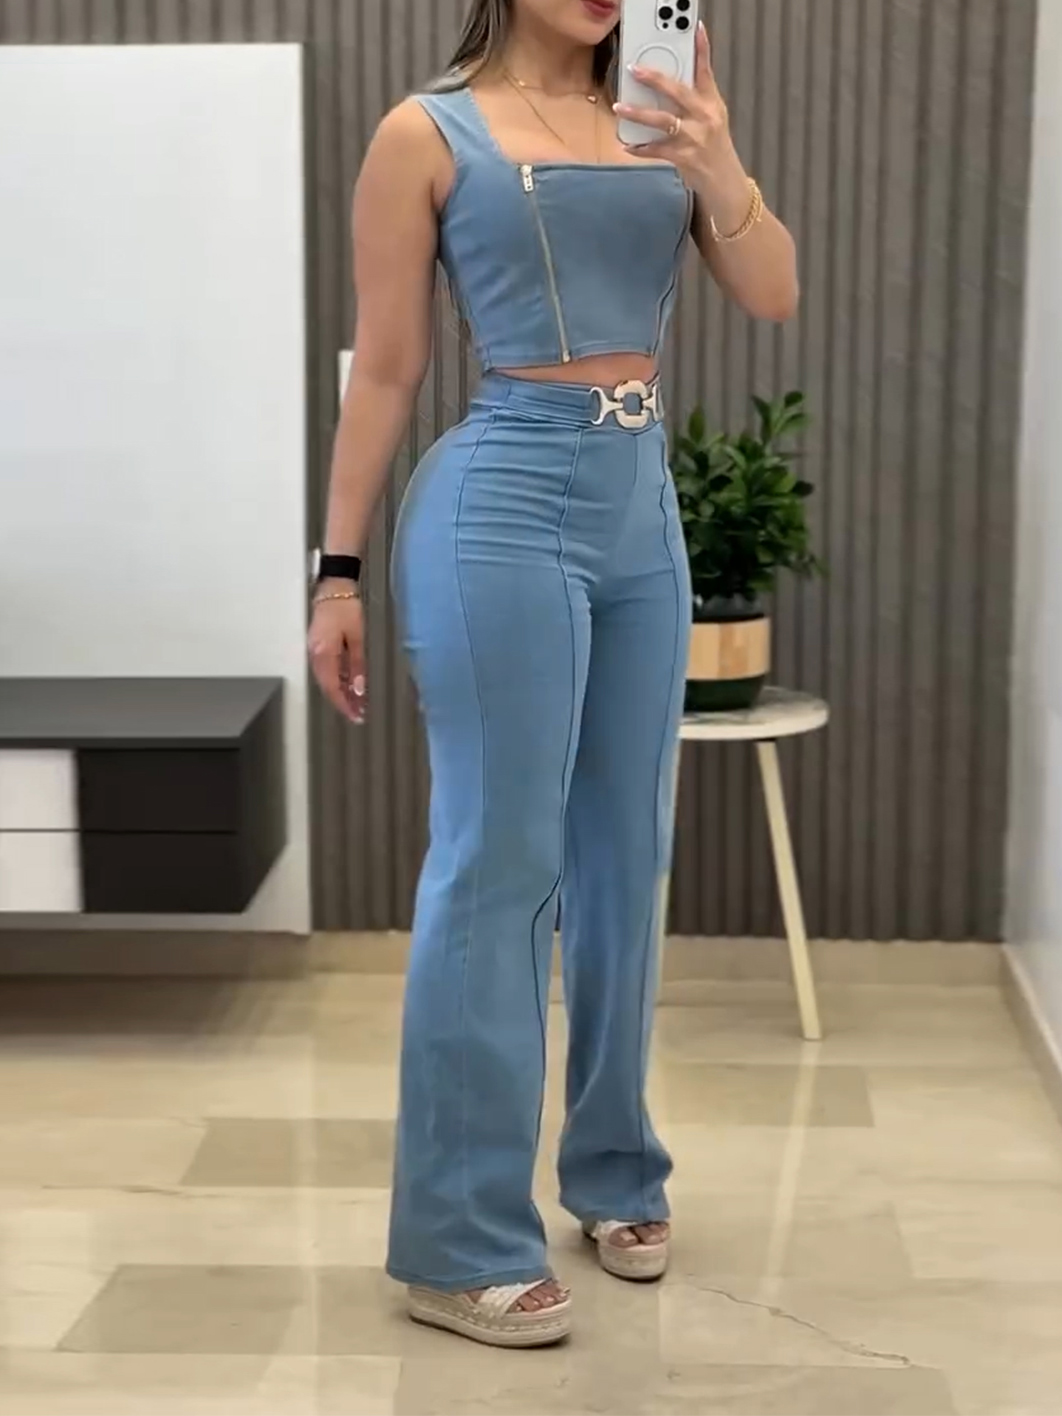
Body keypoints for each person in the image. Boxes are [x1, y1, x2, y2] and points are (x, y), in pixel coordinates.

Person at [308, 0, 798, 1349]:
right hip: (501, 500)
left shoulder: (666, 114)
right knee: (499, 860)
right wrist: (337, 574)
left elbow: (771, 291)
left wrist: (713, 159)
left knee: (625, 852)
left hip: (642, 511)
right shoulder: (426, 132)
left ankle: (614, 1168)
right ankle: (456, 1240)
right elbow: (386, 368)